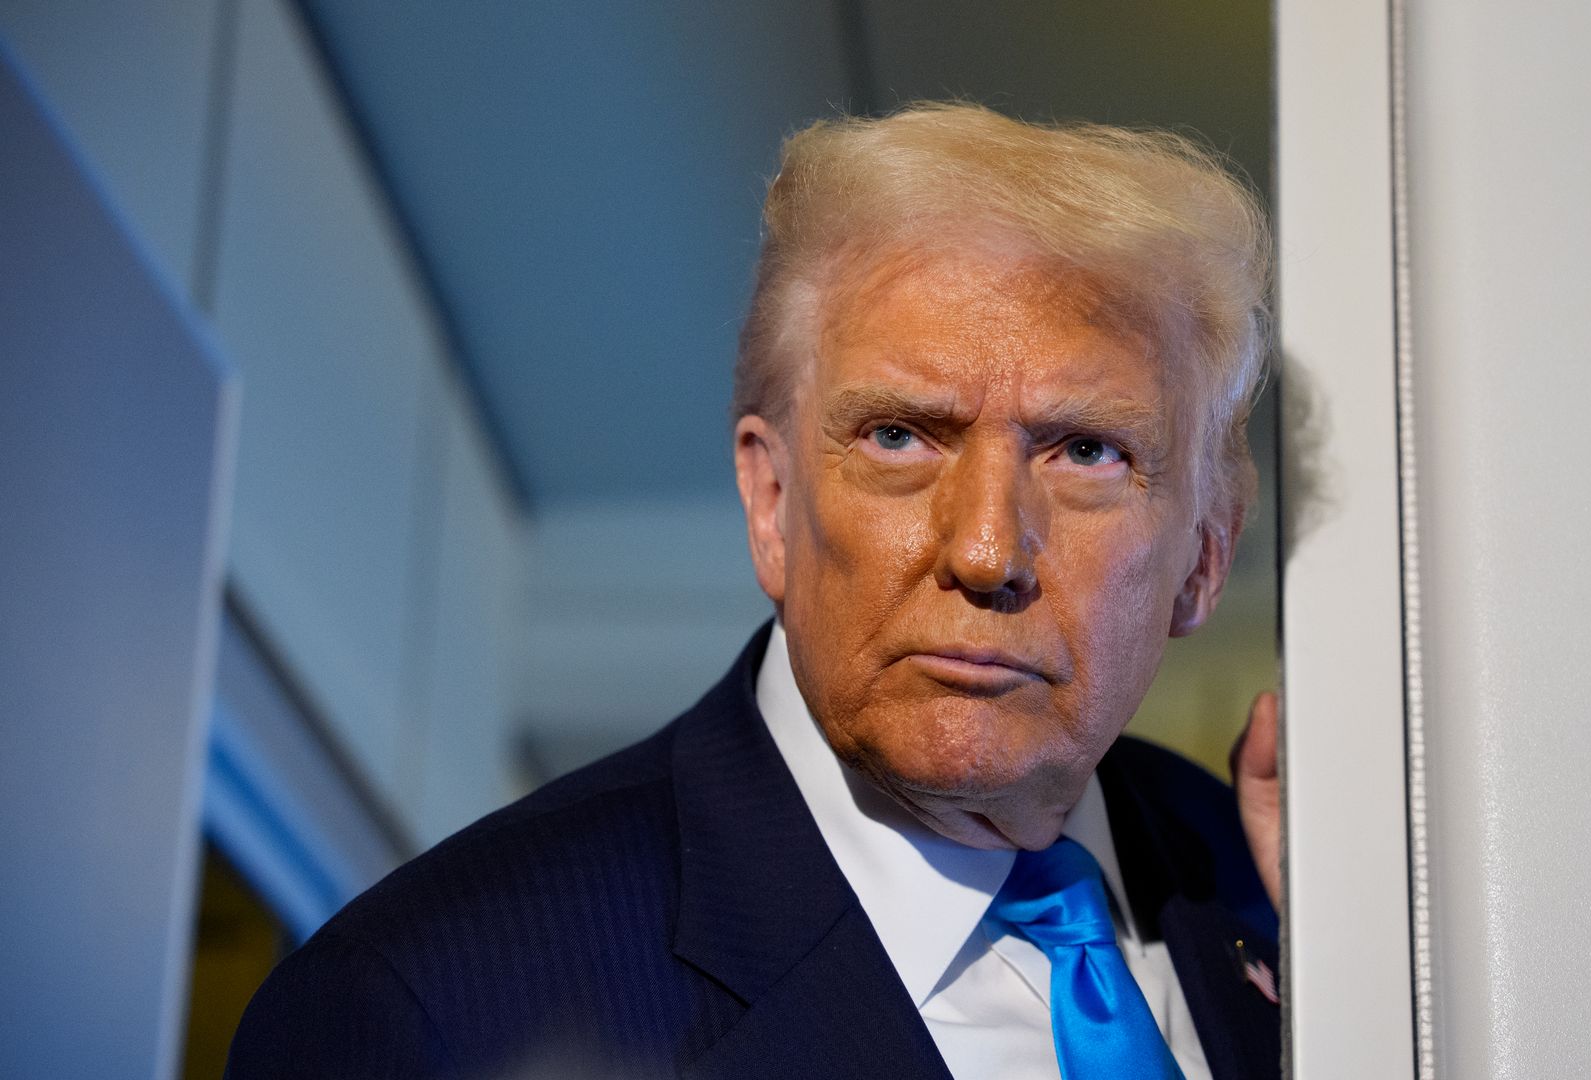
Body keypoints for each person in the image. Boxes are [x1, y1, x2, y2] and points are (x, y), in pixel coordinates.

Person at [226, 102, 1284, 1080]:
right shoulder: (423, 1012)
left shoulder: (1282, 890)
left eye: (1088, 452)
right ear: (773, 501)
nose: (984, 547)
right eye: (901, 436)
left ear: (1203, 557)